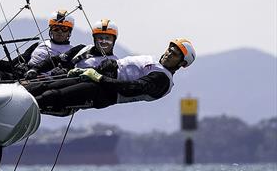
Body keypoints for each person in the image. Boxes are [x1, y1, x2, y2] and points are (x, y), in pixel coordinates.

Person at [25, 38, 195, 114]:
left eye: (174, 55)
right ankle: (18, 91)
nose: (168, 54)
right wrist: (106, 67)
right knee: (47, 85)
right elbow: (125, 69)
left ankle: (20, 105)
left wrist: (98, 78)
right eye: (169, 49)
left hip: (102, 92)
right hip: (98, 79)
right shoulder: (154, 63)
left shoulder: (162, 79)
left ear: (182, 64)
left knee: (53, 96)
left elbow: (131, 88)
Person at [27, 18, 120, 78]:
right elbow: (55, 60)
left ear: (114, 40)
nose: (103, 42)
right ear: (94, 39)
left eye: (108, 39)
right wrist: (35, 69)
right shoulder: (81, 49)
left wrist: (66, 74)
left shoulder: (115, 62)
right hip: (58, 82)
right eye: (100, 38)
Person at [23, 10, 76, 78]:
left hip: (47, 82)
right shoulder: (39, 44)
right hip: (25, 76)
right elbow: (19, 60)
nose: (60, 32)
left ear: (69, 32)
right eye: (56, 28)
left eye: (64, 28)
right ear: (51, 30)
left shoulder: (72, 51)